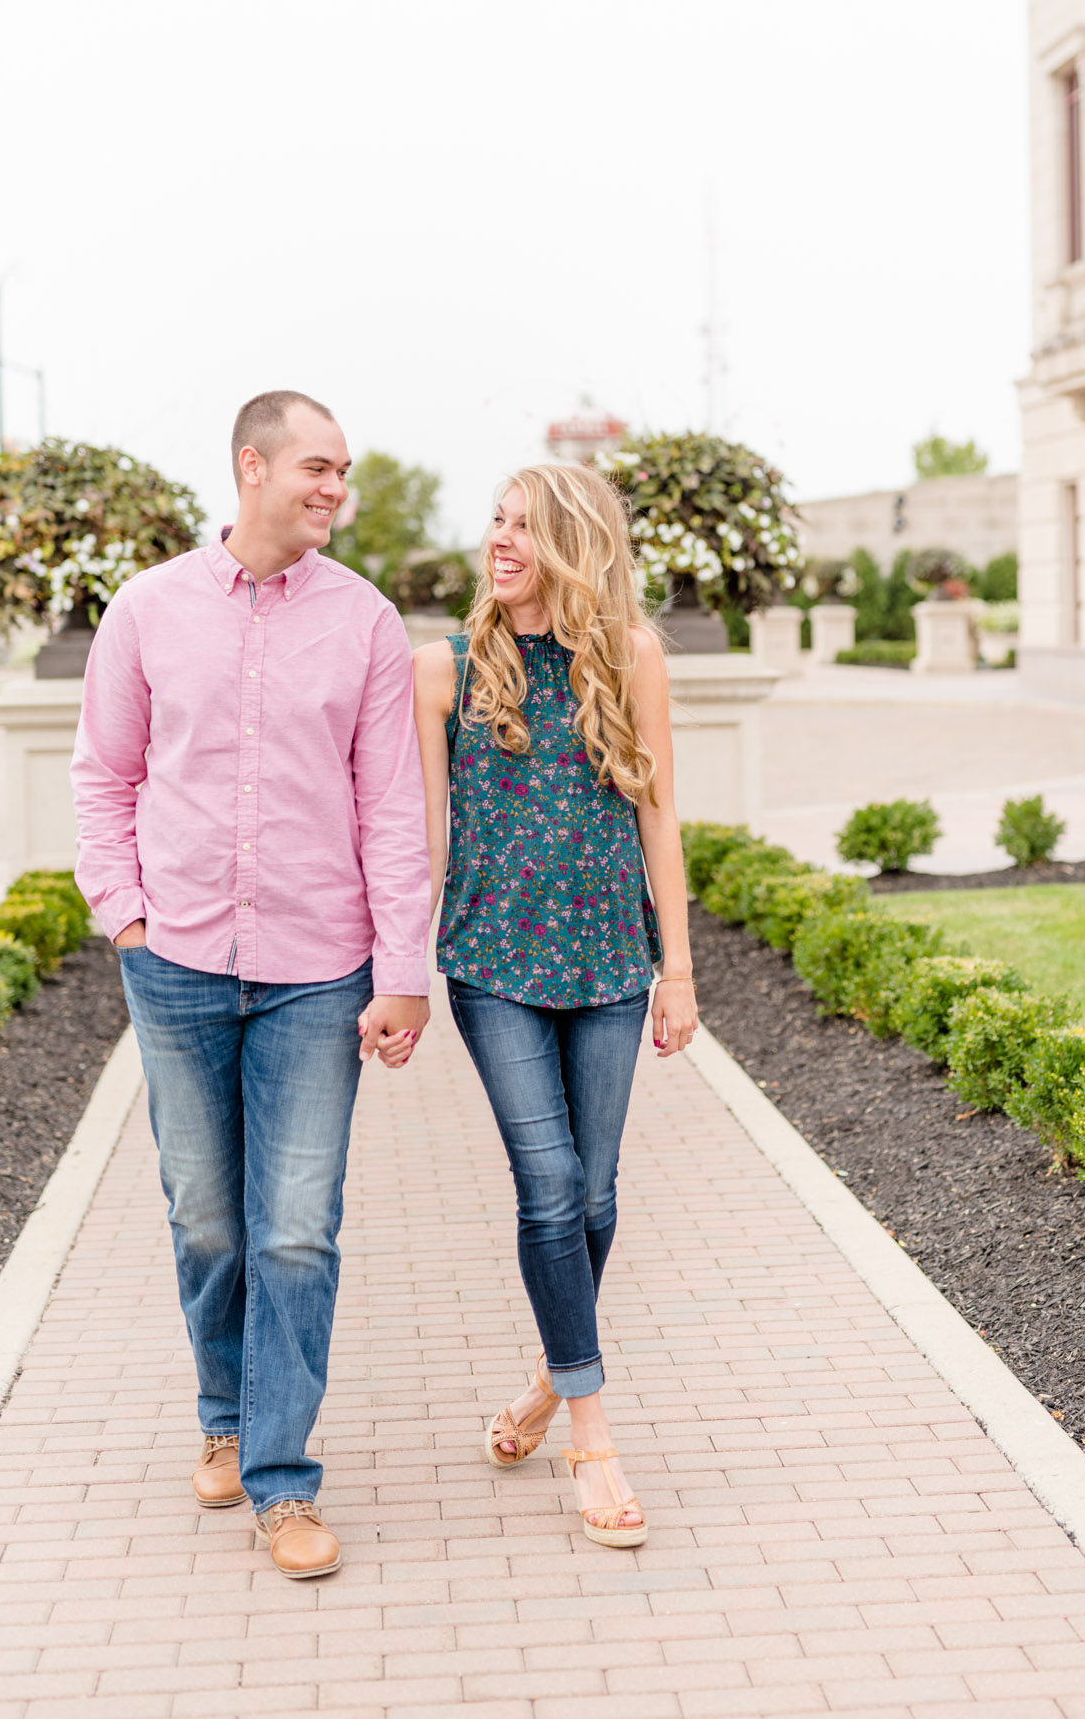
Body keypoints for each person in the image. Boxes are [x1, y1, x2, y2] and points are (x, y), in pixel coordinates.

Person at [71, 390, 431, 1580]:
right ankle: (221, 1413)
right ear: (252, 465)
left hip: (316, 975)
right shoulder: (147, 607)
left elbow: (390, 808)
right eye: (319, 468)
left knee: (292, 1229)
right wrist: (122, 914)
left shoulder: (367, 623)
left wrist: (402, 972)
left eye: (344, 473)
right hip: (172, 962)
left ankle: (282, 1478)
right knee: (205, 1217)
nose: (336, 489)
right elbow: (104, 774)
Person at [403, 460, 699, 1548]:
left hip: (613, 959)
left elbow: (659, 817)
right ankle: (591, 1430)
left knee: (596, 1198)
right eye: (496, 518)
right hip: (492, 962)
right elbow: (423, 836)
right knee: (549, 1182)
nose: (501, 539)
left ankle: (540, 1381)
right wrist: (395, 963)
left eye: (524, 525)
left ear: (573, 542)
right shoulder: (441, 668)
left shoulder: (631, 656)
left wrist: (679, 965)